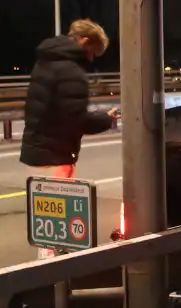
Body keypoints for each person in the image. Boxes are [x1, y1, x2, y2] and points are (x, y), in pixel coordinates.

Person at [21, 19, 119, 256]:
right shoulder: (71, 72)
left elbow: (53, 110)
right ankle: (56, 282)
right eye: (93, 52)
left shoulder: (44, 63)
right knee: (58, 232)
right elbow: (76, 120)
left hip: (37, 152)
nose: (92, 59)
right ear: (85, 41)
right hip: (57, 155)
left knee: (45, 231)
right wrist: (106, 119)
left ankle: (48, 275)